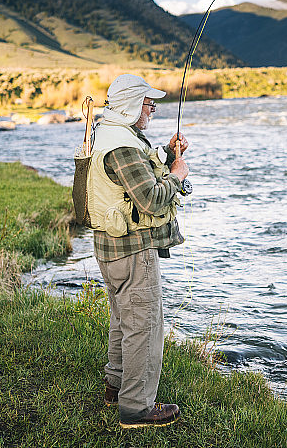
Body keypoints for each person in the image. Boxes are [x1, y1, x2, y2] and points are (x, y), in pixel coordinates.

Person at [87, 74, 189, 429]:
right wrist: (177, 174)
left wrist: (165, 152)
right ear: (132, 105)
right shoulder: (123, 146)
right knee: (144, 326)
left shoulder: (110, 133)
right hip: (132, 250)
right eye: (149, 104)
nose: (153, 110)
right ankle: (137, 409)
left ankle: (115, 387)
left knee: (122, 320)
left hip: (109, 247)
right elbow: (151, 199)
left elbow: (134, 174)